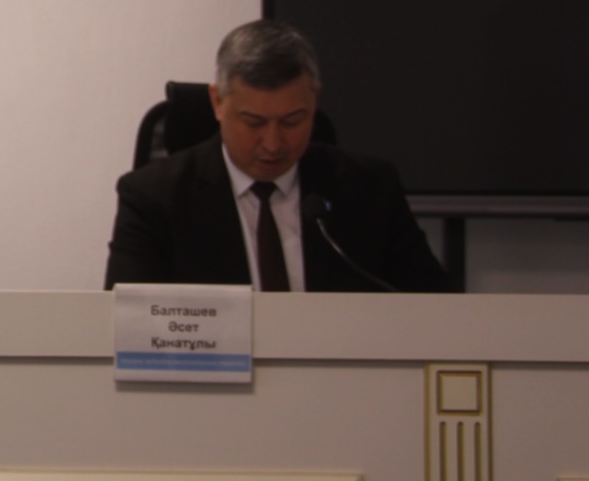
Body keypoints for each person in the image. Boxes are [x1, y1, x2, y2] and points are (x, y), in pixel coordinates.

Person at [103, 20, 453, 292]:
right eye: (254, 122)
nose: (273, 143)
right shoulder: (153, 198)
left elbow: (435, 311)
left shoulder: (370, 189)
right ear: (218, 102)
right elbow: (128, 328)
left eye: (292, 121)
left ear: (315, 99)